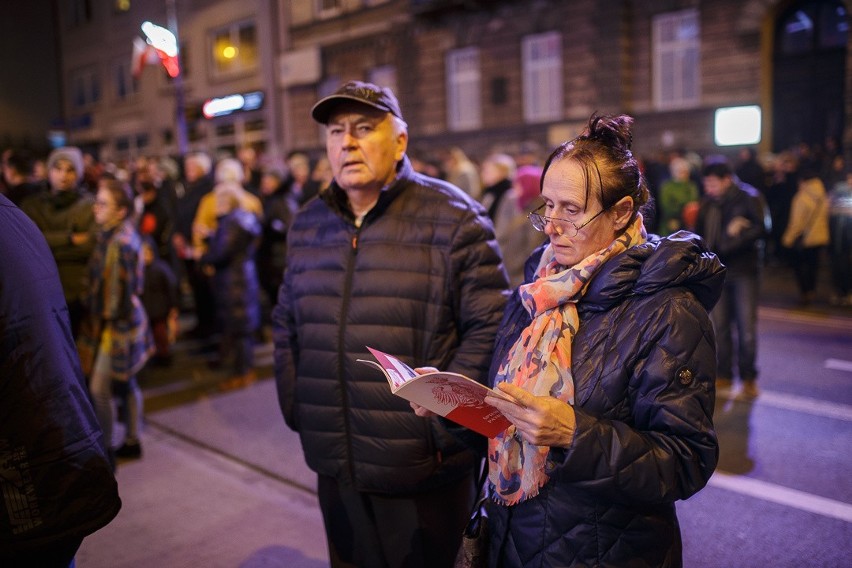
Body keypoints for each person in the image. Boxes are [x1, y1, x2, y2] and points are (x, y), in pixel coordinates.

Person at [453, 114, 724, 567]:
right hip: (511, 541)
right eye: (547, 206)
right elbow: (503, 410)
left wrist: (575, 435)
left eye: (572, 210)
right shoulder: (538, 287)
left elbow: (685, 460)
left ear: (620, 213)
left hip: (601, 552)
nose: (552, 225)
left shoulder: (668, 310)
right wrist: (448, 405)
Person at [272, 80, 509, 568]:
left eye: (363, 128)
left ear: (400, 141)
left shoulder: (455, 218)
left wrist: (444, 428)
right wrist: (298, 405)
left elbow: (490, 330)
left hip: (423, 470)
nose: (347, 142)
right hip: (335, 461)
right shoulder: (309, 222)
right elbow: (286, 323)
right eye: (336, 131)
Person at [1, 193, 121, 566]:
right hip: (56, 453)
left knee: (112, 390)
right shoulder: (15, 216)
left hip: (28, 471)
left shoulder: (119, 243)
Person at [78, 178, 154, 463]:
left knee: (99, 389)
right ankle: (133, 440)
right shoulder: (115, 234)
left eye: (102, 204)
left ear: (120, 211)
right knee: (127, 383)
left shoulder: (118, 244)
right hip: (128, 321)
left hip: (117, 327)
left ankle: (107, 449)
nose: (95, 208)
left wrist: (86, 305)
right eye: (96, 201)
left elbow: (111, 303)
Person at [695, 159, 768, 398]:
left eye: (713, 183)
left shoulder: (749, 196)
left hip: (744, 271)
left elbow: (764, 227)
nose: (709, 188)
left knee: (746, 329)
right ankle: (724, 374)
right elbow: (699, 235)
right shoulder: (708, 203)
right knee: (719, 328)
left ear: (727, 179)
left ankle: (748, 377)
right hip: (717, 272)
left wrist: (738, 233)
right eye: (706, 184)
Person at [20, 146, 96, 339]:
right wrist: (69, 239)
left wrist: (45, 244)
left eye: (70, 169)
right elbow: (26, 245)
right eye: (58, 168)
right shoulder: (32, 205)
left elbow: (89, 246)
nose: (63, 175)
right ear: (49, 170)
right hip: (41, 290)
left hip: (77, 290)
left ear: (78, 173)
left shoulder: (88, 205)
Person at [200, 183, 263, 390]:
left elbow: (222, 252)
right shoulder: (244, 218)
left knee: (239, 330)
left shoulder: (231, 222)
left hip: (233, 280)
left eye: (219, 201)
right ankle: (242, 369)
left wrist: (203, 256)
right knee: (240, 328)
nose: (216, 205)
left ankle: (243, 373)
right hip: (242, 277)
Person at [781, 165, 830, 306]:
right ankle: (812, 291)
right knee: (813, 266)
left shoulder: (802, 197)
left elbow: (797, 223)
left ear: (803, 181)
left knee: (800, 267)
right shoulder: (823, 195)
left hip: (805, 239)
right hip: (820, 237)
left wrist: (788, 239)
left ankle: (805, 293)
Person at [493, 164, 546, 287]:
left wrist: (514, 265)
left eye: (518, 184)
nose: (514, 188)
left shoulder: (538, 213)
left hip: (522, 277)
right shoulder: (527, 208)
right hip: (513, 273)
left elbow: (533, 248)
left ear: (528, 186)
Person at [140, 236, 180, 367]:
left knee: (161, 335)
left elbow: (171, 287)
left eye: (148, 252)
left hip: (160, 310)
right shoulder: (140, 270)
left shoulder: (161, 268)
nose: (146, 256)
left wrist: (173, 306)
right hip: (147, 310)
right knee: (150, 336)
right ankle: (155, 356)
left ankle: (164, 356)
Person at [827, 172, 852, 305]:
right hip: (837, 238)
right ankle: (839, 291)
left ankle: (847, 292)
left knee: (847, 265)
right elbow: (828, 207)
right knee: (837, 264)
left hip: (847, 239)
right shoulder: (839, 190)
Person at [657, 156, 699, 235]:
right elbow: (666, 206)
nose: (684, 174)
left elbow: (693, 202)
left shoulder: (691, 186)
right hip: (670, 222)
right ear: (673, 172)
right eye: (680, 171)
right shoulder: (667, 187)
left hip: (688, 224)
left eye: (685, 172)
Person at [478, 152, 516, 222]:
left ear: (501, 172)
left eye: (487, 172)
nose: (482, 175)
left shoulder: (507, 194)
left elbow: (503, 223)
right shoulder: (490, 190)